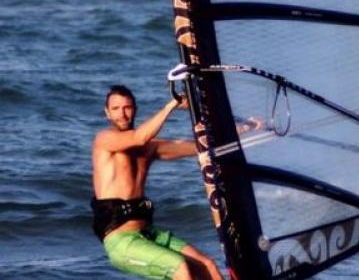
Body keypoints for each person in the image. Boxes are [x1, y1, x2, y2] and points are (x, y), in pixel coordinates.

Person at [91, 84, 261, 280]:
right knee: (180, 268)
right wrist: (172, 105)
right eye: (115, 109)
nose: (122, 114)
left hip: (148, 234)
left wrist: (248, 128)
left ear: (135, 110)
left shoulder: (150, 148)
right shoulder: (104, 140)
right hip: (122, 242)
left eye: (127, 107)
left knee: (208, 266)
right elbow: (139, 137)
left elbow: (201, 146)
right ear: (107, 113)